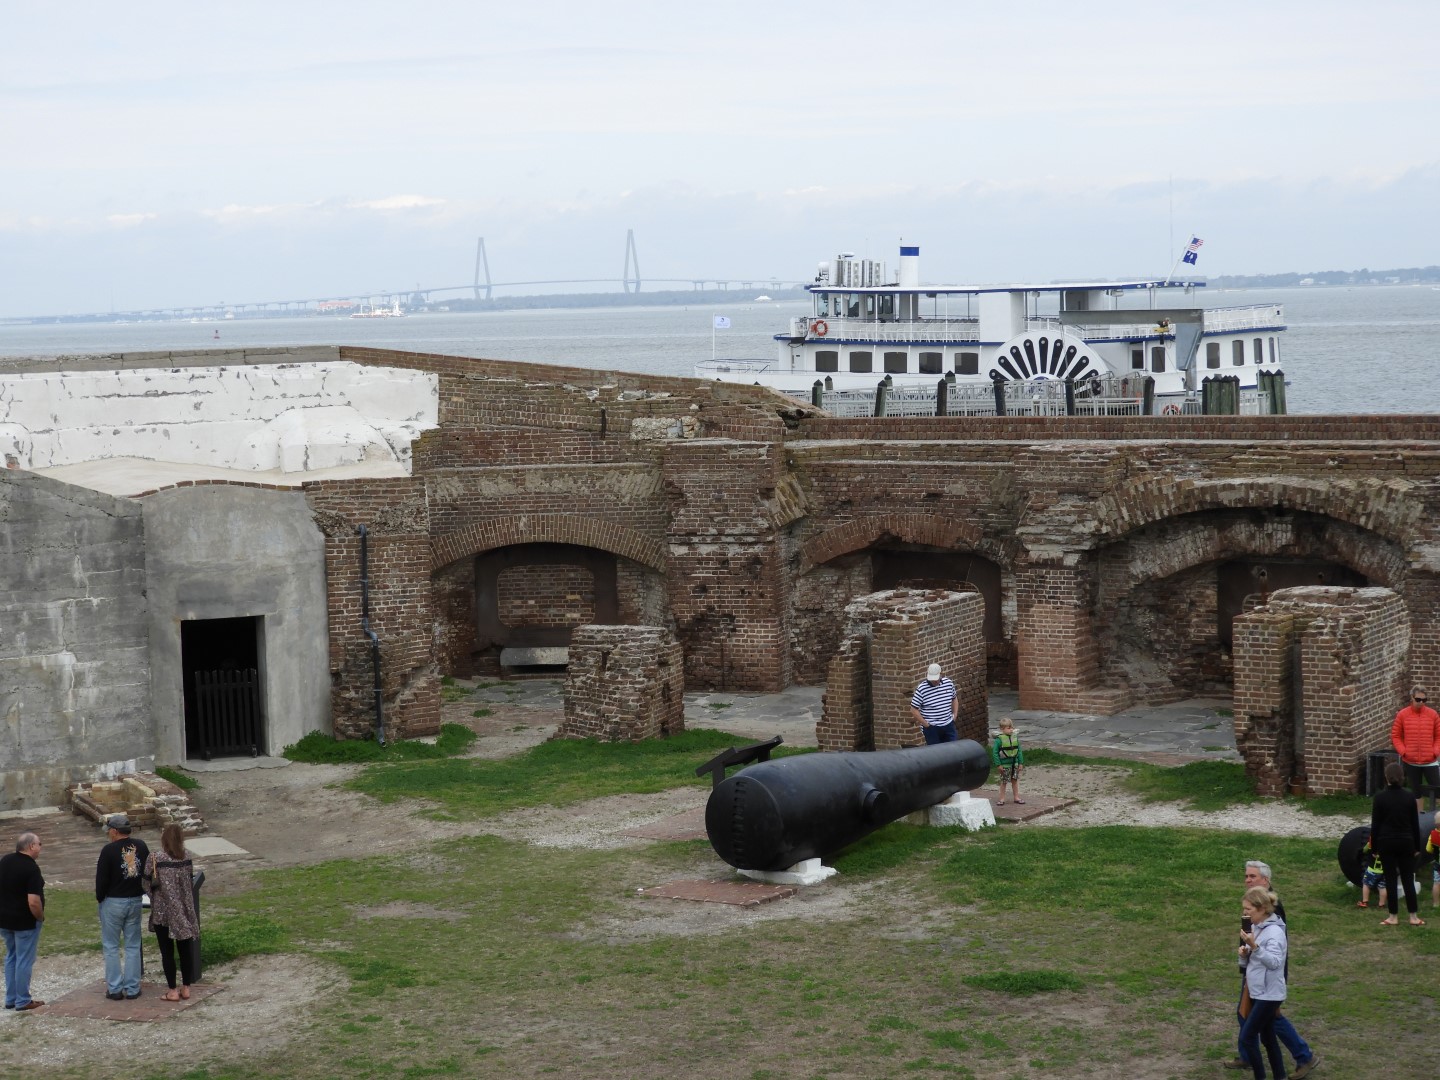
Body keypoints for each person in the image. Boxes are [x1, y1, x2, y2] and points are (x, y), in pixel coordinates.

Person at [1224, 861, 1319, 1077]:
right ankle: (1280, 1066)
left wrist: (1254, 949)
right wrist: (1245, 955)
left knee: (1262, 1022)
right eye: (1246, 876)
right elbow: (1251, 942)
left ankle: (1301, 1056)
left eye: (1253, 877)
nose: (1247, 880)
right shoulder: (1254, 911)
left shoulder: (1272, 917)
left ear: (1265, 881)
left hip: (1268, 981)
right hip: (1257, 975)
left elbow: (1276, 954)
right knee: (1260, 1027)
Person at [95, 813, 150, 1000]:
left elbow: (101, 880)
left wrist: (100, 898)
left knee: (111, 945)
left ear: (114, 831)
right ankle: (133, 988)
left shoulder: (108, 851)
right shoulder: (141, 846)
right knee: (133, 945)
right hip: (134, 898)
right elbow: (147, 871)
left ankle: (115, 988)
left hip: (113, 900)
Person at [143, 824, 200, 1001]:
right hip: (184, 908)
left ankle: (172, 990)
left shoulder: (156, 857)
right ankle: (186, 988)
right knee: (185, 950)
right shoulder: (187, 857)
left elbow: (145, 882)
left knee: (167, 952)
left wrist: (154, 897)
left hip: (163, 910)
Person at [1237, 886, 1288, 1080]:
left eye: (1248, 909)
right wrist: (1244, 955)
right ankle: (1280, 1076)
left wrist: (1254, 947)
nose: (1245, 913)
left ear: (1261, 909)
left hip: (1270, 994)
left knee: (1248, 1037)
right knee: (1268, 1039)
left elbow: (1275, 963)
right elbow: (1250, 963)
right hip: (1258, 992)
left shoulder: (1274, 932)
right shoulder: (1256, 928)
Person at [1370, 760, 1424, 926]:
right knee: (1408, 878)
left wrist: (1374, 847)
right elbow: (1415, 824)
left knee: (1390, 879)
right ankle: (1413, 916)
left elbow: (1375, 824)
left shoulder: (1379, 798)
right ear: (1402, 778)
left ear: (1386, 778)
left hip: (1386, 842)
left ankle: (1393, 916)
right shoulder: (1409, 796)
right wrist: (1417, 846)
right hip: (1406, 841)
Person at [0, 833, 45, 1012]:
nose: (40, 848)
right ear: (31, 846)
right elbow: (33, 901)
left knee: (12, 956)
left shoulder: (5, 861)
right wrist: (40, 917)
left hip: (5, 919)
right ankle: (23, 1000)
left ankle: (11, 998)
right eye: (39, 844)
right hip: (24, 921)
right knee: (24, 960)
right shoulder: (31, 869)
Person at [1390, 685, 1440, 800]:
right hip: (1411, 760)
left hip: (1430, 760)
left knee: (1438, 791)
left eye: (1424, 700)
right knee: (1416, 794)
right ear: (1412, 698)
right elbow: (1396, 736)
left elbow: (1438, 736)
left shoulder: (1433, 715)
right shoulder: (1402, 714)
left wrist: (1435, 752)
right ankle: (1418, 816)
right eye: (1418, 699)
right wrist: (1404, 752)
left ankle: (1437, 816)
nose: (1421, 702)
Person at [910, 663, 958, 745]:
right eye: (932, 679)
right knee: (936, 753)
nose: (934, 681)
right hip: (932, 727)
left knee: (953, 750)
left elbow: (954, 699)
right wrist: (926, 724)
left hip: (948, 724)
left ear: (941, 674)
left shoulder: (948, 684)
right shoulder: (922, 689)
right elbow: (913, 709)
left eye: (936, 678)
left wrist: (955, 715)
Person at [991, 717, 1025, 805]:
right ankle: (1002, 799)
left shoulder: (1015, 738)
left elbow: (1019, 751)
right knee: (1004, 782)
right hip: (1005, 765)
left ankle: (1016, 797)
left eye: (1012, 727)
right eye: (1008, 728)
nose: (1011, 730)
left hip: (1015, 764)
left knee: (1015, 780)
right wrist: (998, 764)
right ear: (1002, 729)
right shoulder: (999, 740)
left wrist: (1020, 763)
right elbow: (995, 753)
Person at [1357, 838, 1387, 909]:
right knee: (1382, 887)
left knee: (1366, 884)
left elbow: (1364, 850)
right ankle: (1381, 905)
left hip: (1372, 870)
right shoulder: (1389, 844)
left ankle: (1365, 902)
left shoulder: (1372, 842)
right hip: (1384, 871)